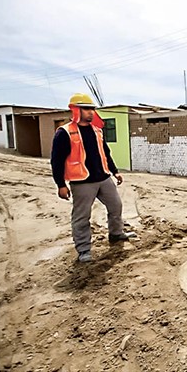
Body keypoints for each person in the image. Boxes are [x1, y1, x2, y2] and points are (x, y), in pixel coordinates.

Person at [51, 93, 129, 263]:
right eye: (86, 109)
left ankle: (116, 234)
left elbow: (105, 153)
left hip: (103, 178)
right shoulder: (65, 132)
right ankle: (84, 249)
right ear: (76, 110)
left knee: (116, 206)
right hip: (82, 182)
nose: (91, 112)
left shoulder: (97, 131)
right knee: (81, 216)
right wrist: (60, 184)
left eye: (92, 109)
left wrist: (115, 171)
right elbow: (56, 160)